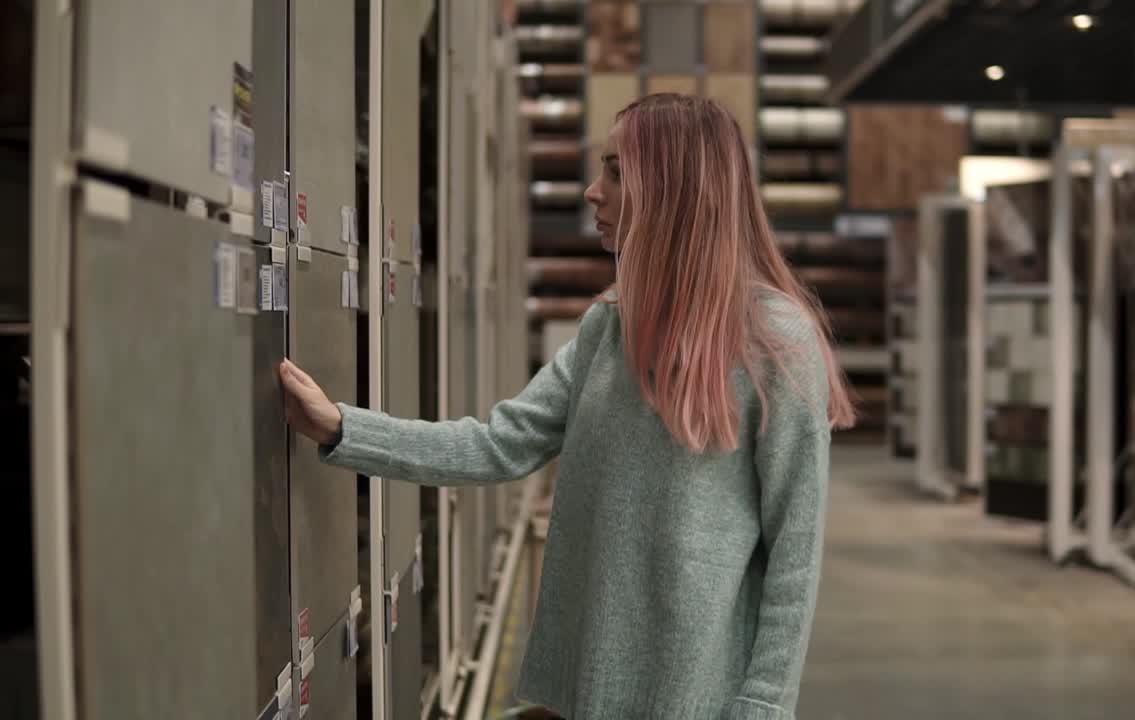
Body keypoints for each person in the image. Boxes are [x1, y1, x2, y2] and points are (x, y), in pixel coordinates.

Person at [280, 93, 855, 720]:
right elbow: (499, 443)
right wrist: (343, 428)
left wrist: (764, 706)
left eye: (614, 170)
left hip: (700, 700)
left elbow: (795, 552)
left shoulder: (777, 339)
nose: (591, 191)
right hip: (587, 690)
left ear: (676, 186)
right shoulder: (610, 326)